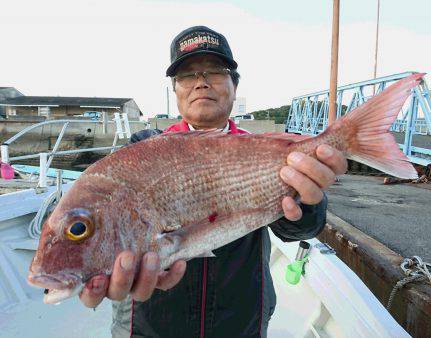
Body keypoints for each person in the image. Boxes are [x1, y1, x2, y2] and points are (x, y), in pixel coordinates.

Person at [79, 26, 347, 337]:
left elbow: (298, 231)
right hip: (149, 325)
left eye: (215, 71)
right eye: (187, 75)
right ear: (175, 89)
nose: (201, 82)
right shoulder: (141, 149)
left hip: (239, 322)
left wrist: (308, 202)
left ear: (235, 84)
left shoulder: (265, 152)